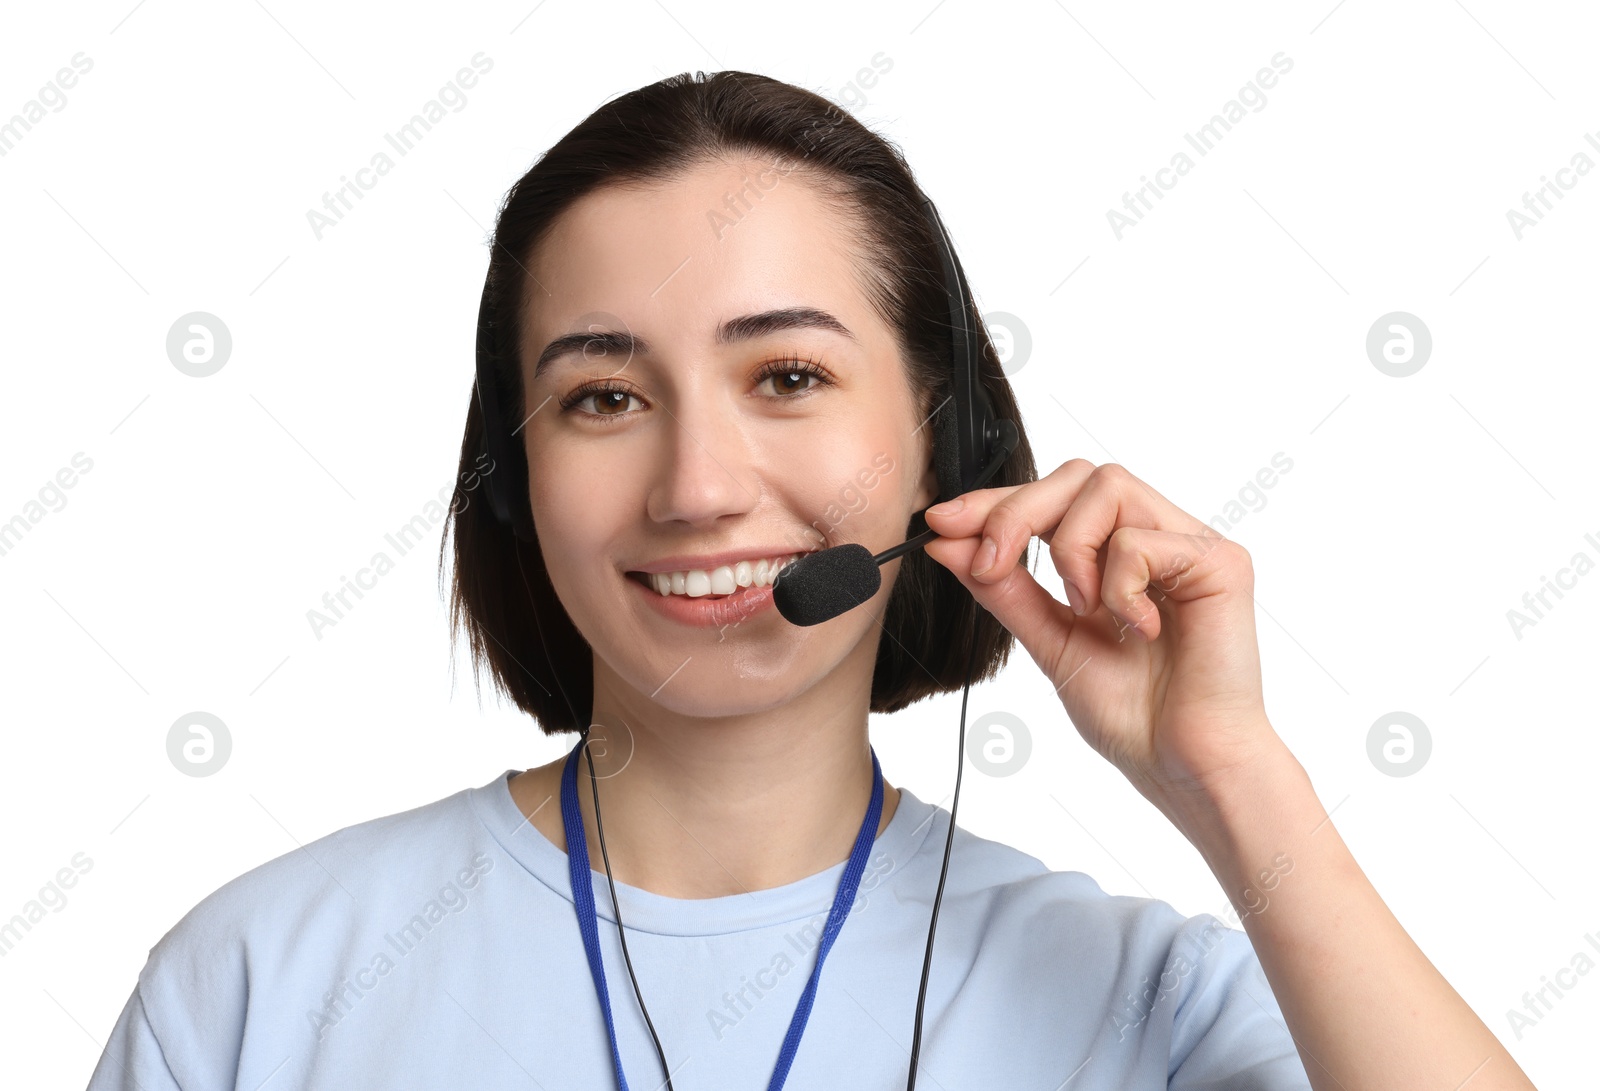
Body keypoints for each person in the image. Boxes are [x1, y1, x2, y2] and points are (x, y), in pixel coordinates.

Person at [86, 71, 1537, 1091]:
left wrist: (1234, 777)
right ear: (516, 475)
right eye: (602, 397)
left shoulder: (1144, 1004)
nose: (699, 486)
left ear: (940, 435)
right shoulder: (261, 985)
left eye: (786, 375)